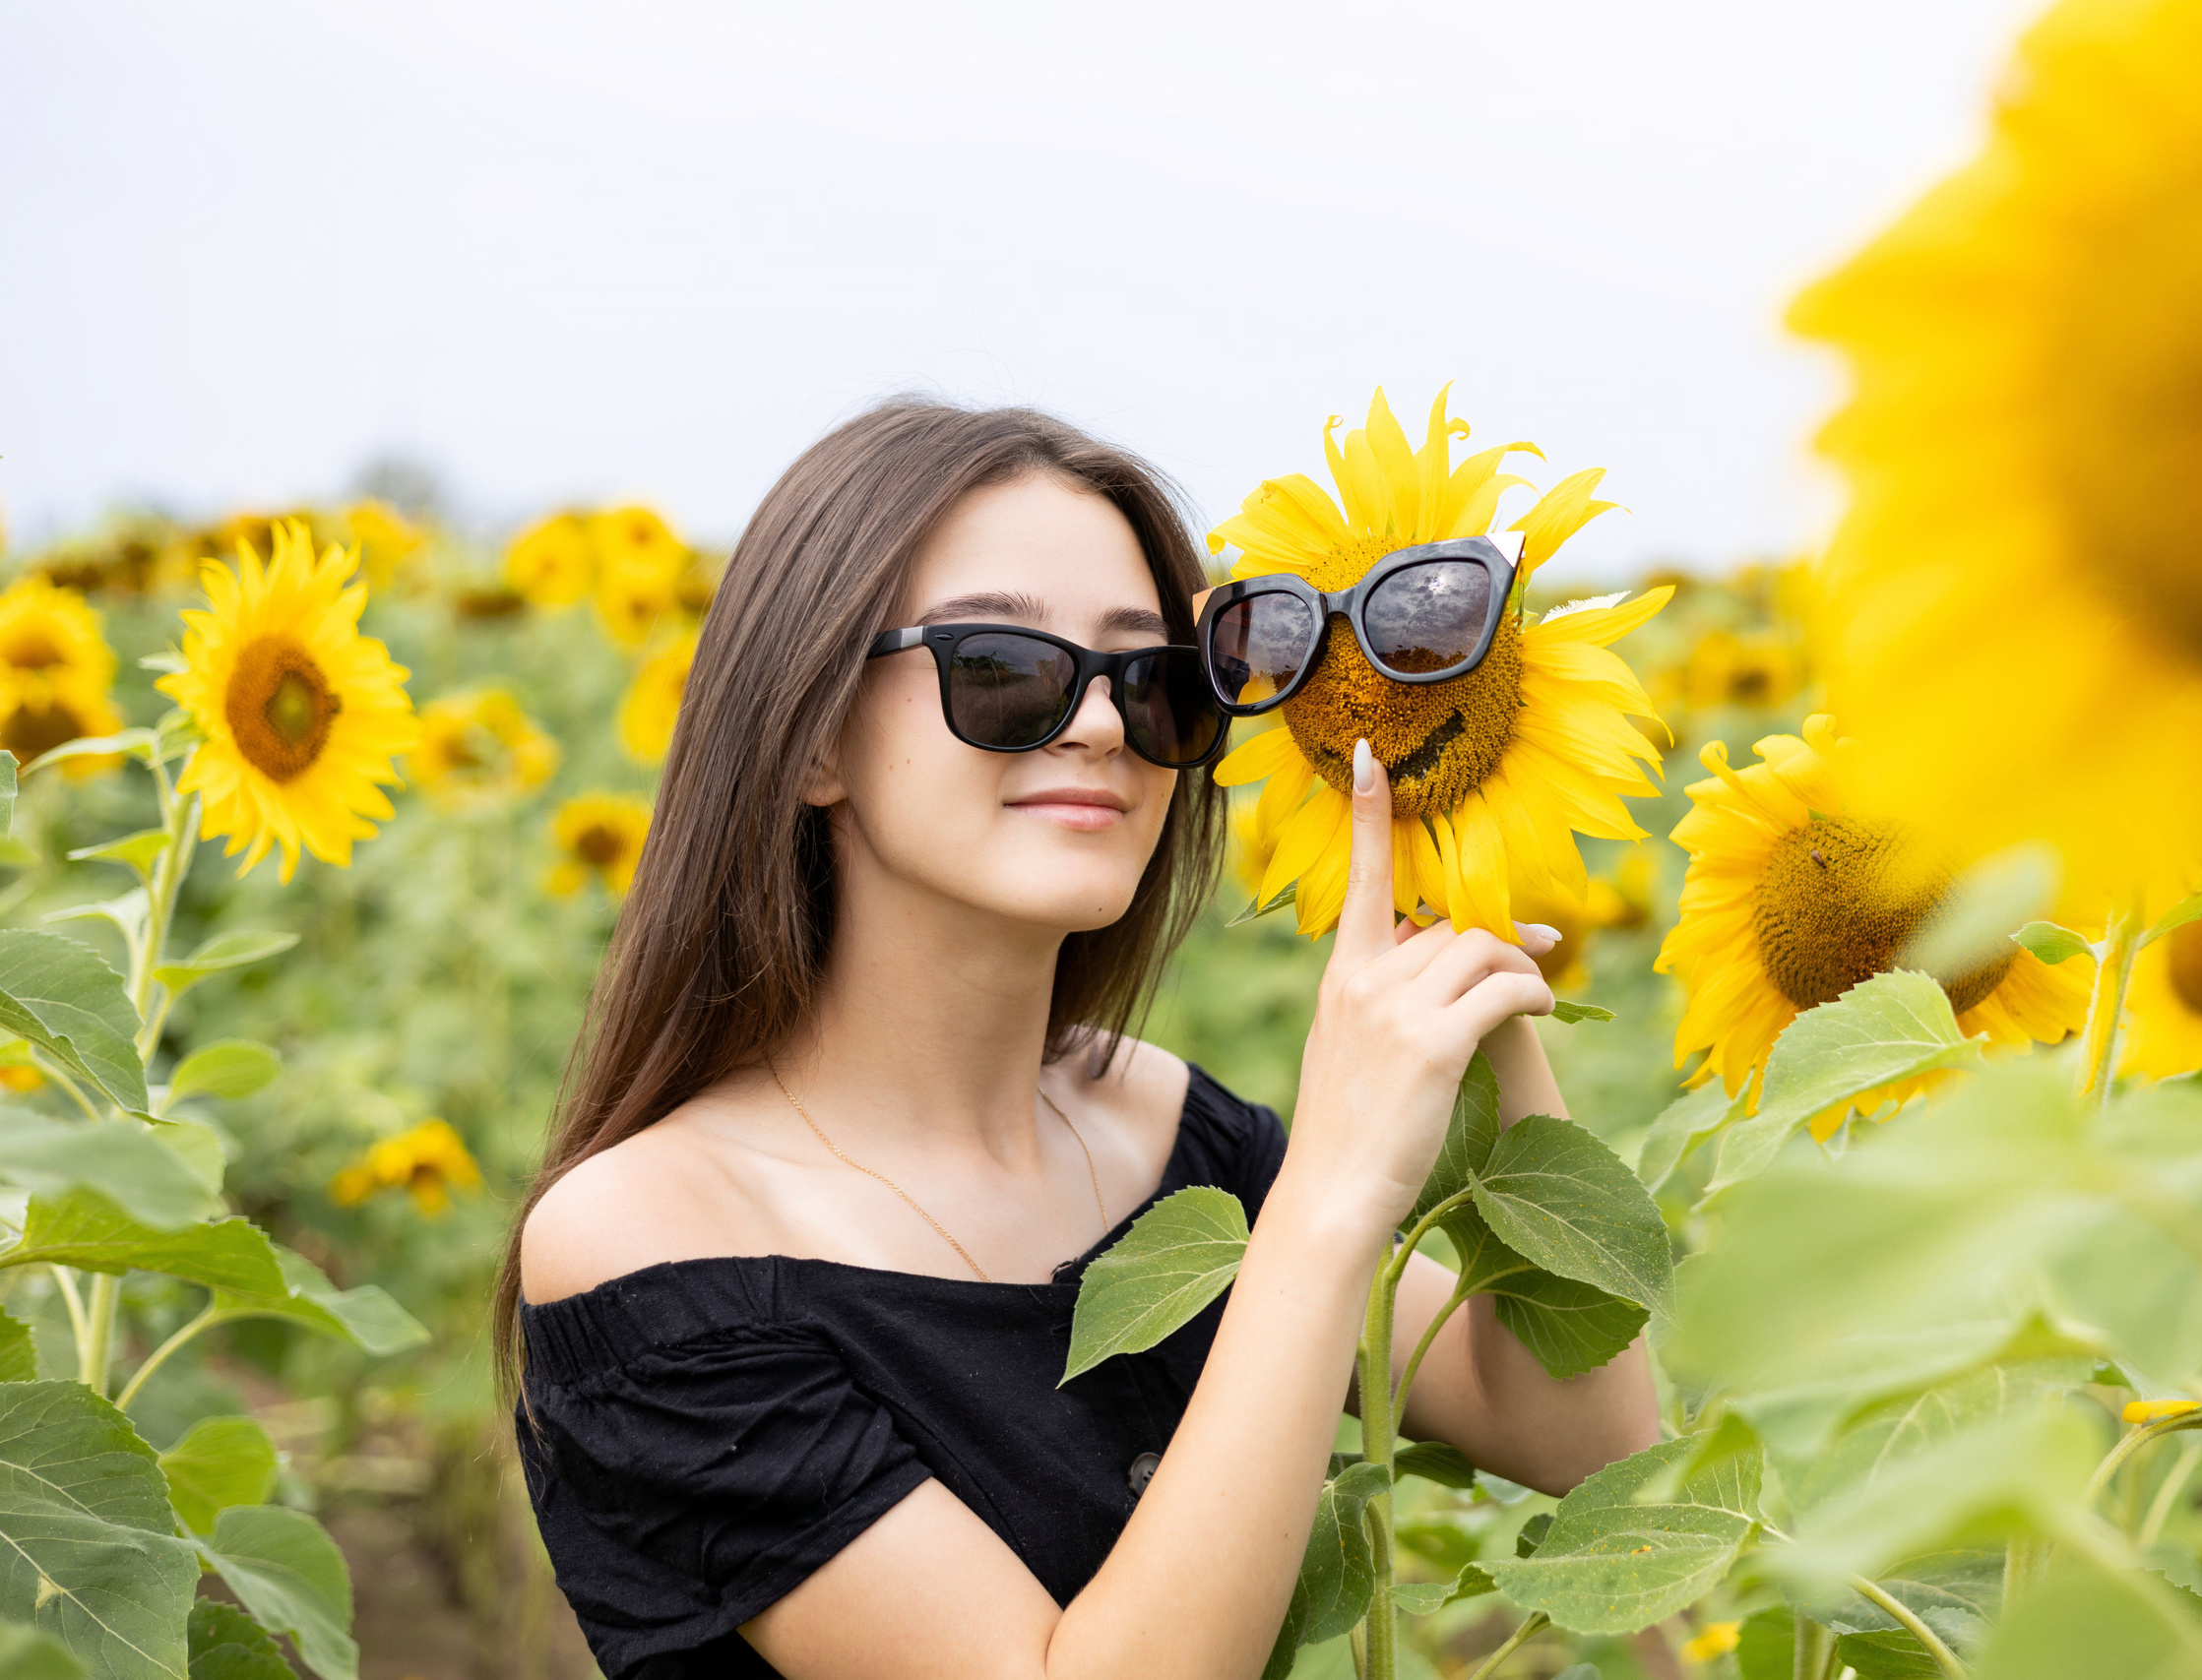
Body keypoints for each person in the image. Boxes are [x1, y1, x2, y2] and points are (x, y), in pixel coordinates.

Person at [499, 400, 1661, 1679]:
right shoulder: (648, 1242)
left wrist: (1461, 882)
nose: (1103, 727)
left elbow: (1579, 1435)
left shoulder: (1159, 1132)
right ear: (814, 732)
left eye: (1155, 679)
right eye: (1004, 667)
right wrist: (1328, 1192)